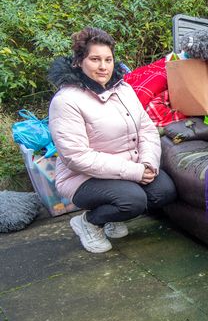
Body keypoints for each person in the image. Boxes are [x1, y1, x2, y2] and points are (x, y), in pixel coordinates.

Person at [48, 27, 176, 253]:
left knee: (163, 191)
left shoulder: (123, 88)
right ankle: (89, 222)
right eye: (95, 59)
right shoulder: (66, 100)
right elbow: (76, 157)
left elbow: (146, 128)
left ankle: (111, 217)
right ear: (79, 61)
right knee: (133, 200)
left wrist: (147, 163)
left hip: (128, 166)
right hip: (82, 177)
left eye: (108, 59)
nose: (103, 66)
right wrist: (134, 172)